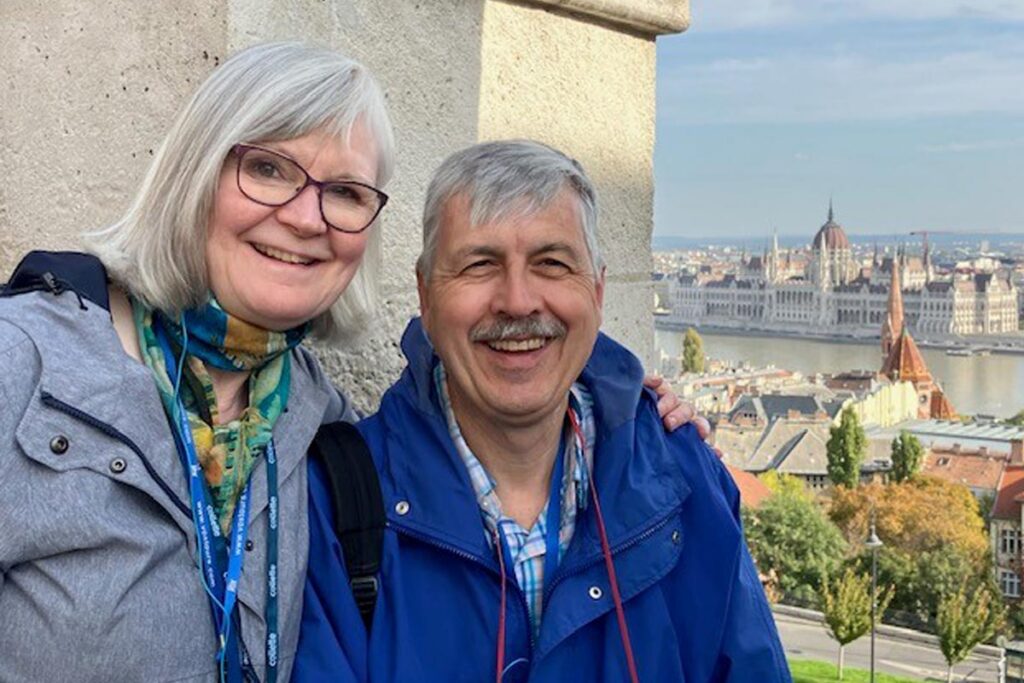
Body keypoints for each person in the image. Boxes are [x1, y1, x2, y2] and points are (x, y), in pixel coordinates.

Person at [0, 44, 697, 683]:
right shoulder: (25, 365)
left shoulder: (323, 433)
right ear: (195, 173)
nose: (308, 217)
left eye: (345, 192)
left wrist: (623, 402)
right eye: (269, 168)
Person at [298, 140, 791, 682]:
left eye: (552, 264)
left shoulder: (684, 478)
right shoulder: (335, 505)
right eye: (479, 265)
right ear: (425, 294)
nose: (518, 301)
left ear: (598, 291)